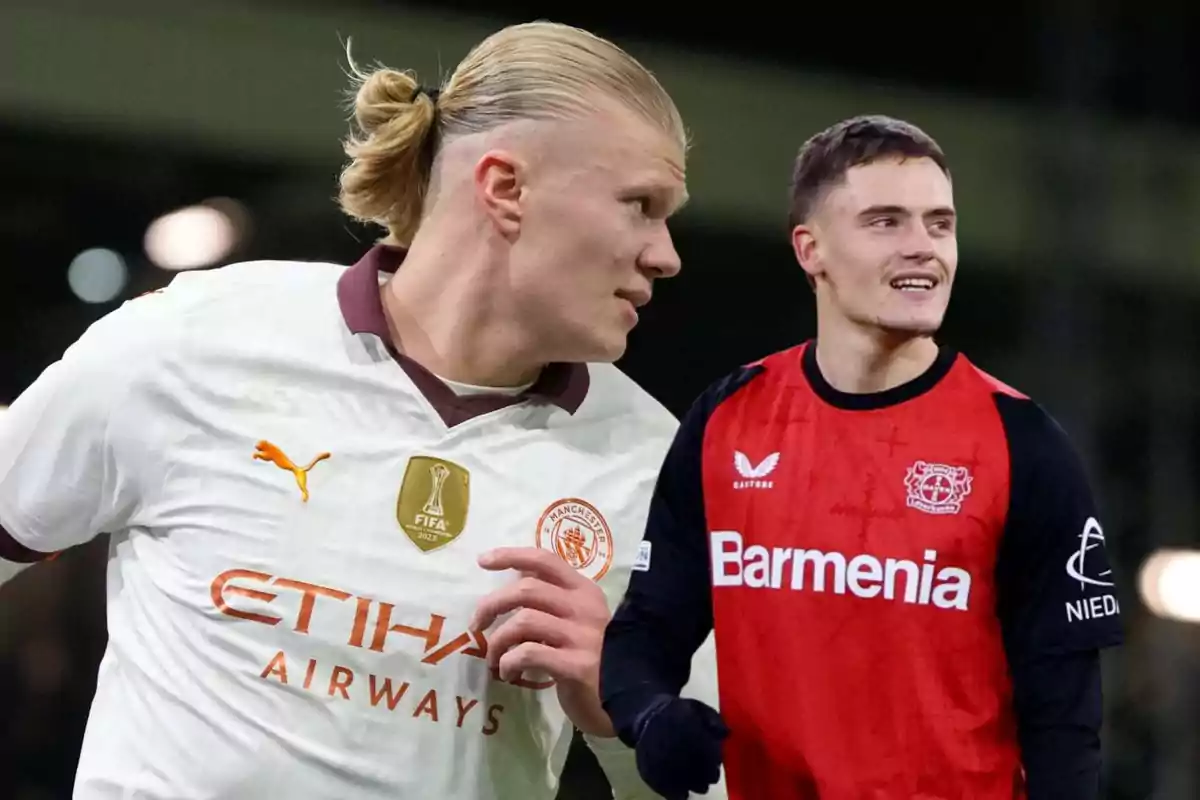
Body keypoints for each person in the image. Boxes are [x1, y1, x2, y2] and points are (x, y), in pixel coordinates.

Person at [0, 21, 724, 799]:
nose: (667, 253)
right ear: (506, 187)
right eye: (640, 205)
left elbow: (716, 785)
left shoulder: (662, 466)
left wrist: (621, 714)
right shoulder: (190, 339)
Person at [599, 115, 1124, 800]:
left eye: (940, 224)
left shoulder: (1022, 443)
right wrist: (652, 717)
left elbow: (1067, 723)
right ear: (809, 249)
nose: (923, 249)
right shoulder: (729, 419)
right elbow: (644, 632)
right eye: (886, 222)